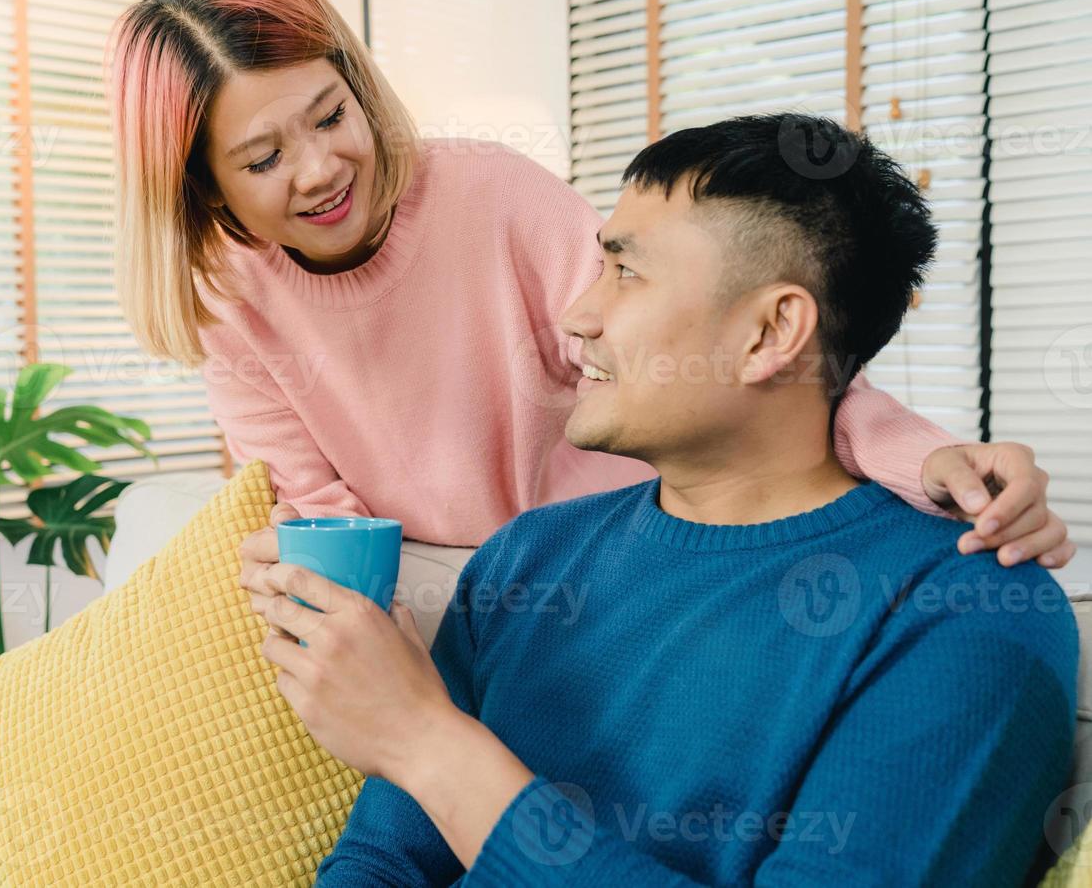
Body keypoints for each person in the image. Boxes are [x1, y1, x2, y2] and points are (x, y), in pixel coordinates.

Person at [102, 0, 1076, 617]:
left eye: (328, 113)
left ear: (356, 83)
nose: (319, 169)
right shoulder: (228, 304)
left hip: (625, 554)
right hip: (456, 595)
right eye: (264, 156)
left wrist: (929, 455)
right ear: (199, 187)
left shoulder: (483, 189)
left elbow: (737, 353)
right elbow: (326, 523)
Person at [249, 114, 1080, 885]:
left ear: (768, 334)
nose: (577, 315)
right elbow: (380, 865)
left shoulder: (969, 613)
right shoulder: (529, 559)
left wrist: (426, 743)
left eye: (625, 272)